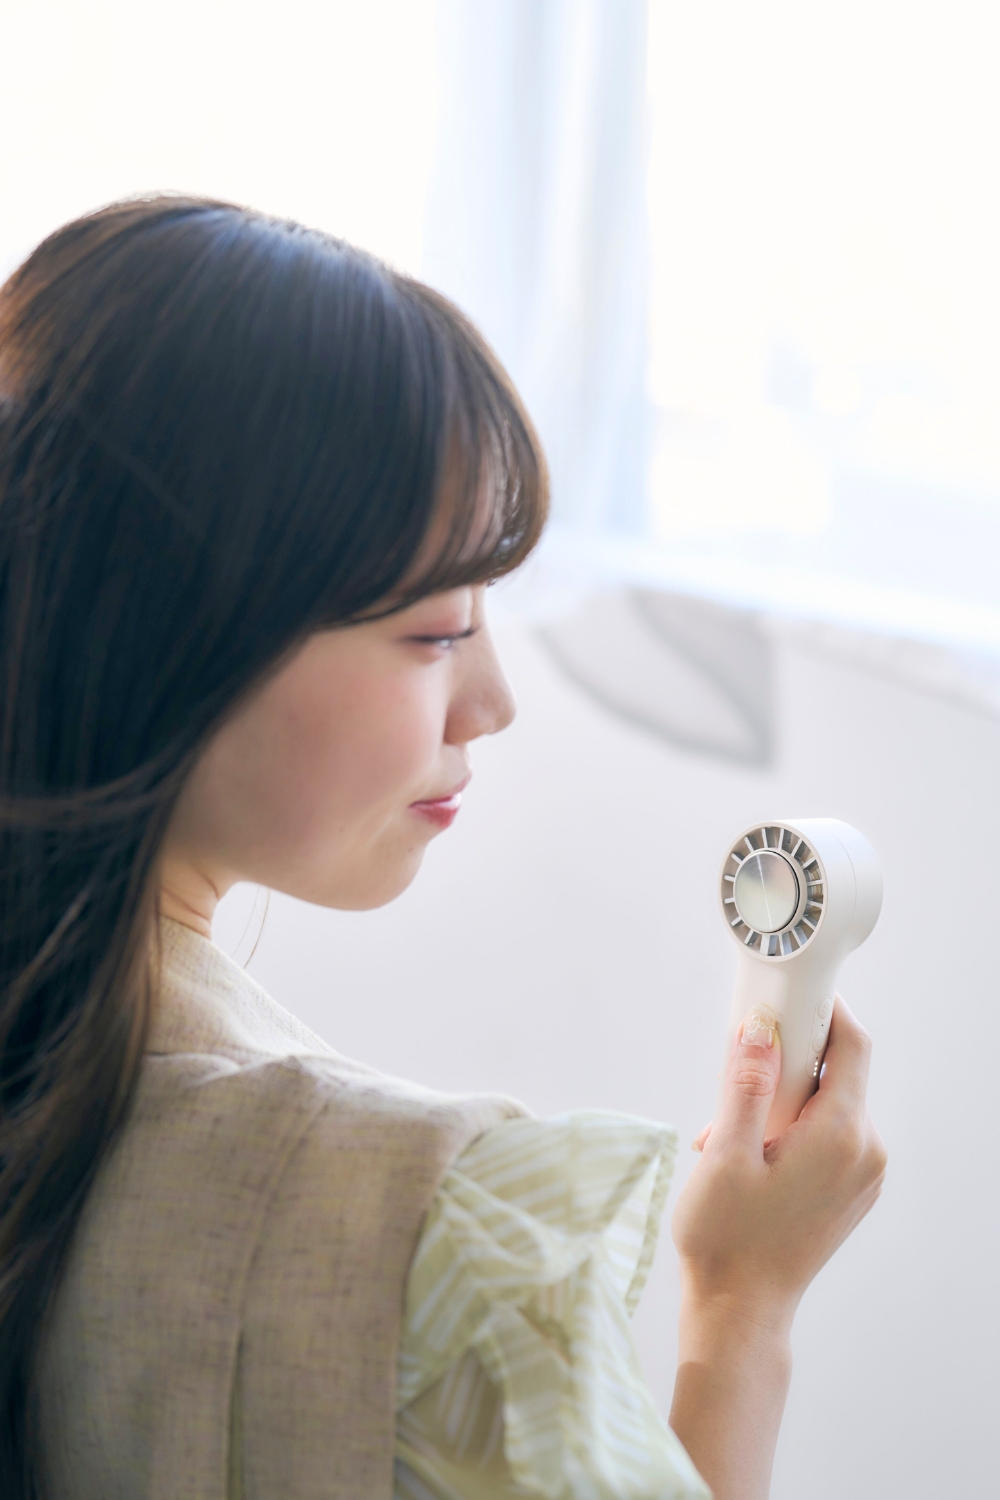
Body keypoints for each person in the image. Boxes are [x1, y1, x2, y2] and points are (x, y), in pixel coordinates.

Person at [0, 196, 886, 1500]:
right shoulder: (409, 1233)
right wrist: (742, 1305)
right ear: (158, 630)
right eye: (434, 632)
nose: (493, 702)